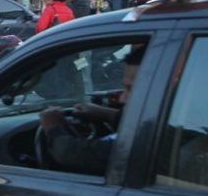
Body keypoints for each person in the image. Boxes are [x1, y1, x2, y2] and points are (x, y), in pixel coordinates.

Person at [39, 45, 143, 175]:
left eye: (132, 89)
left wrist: (53, 128)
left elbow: (74, 155)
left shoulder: (150, 144)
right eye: (125, 89)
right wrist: (109, 115)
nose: (122, 99)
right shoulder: (164, 125)